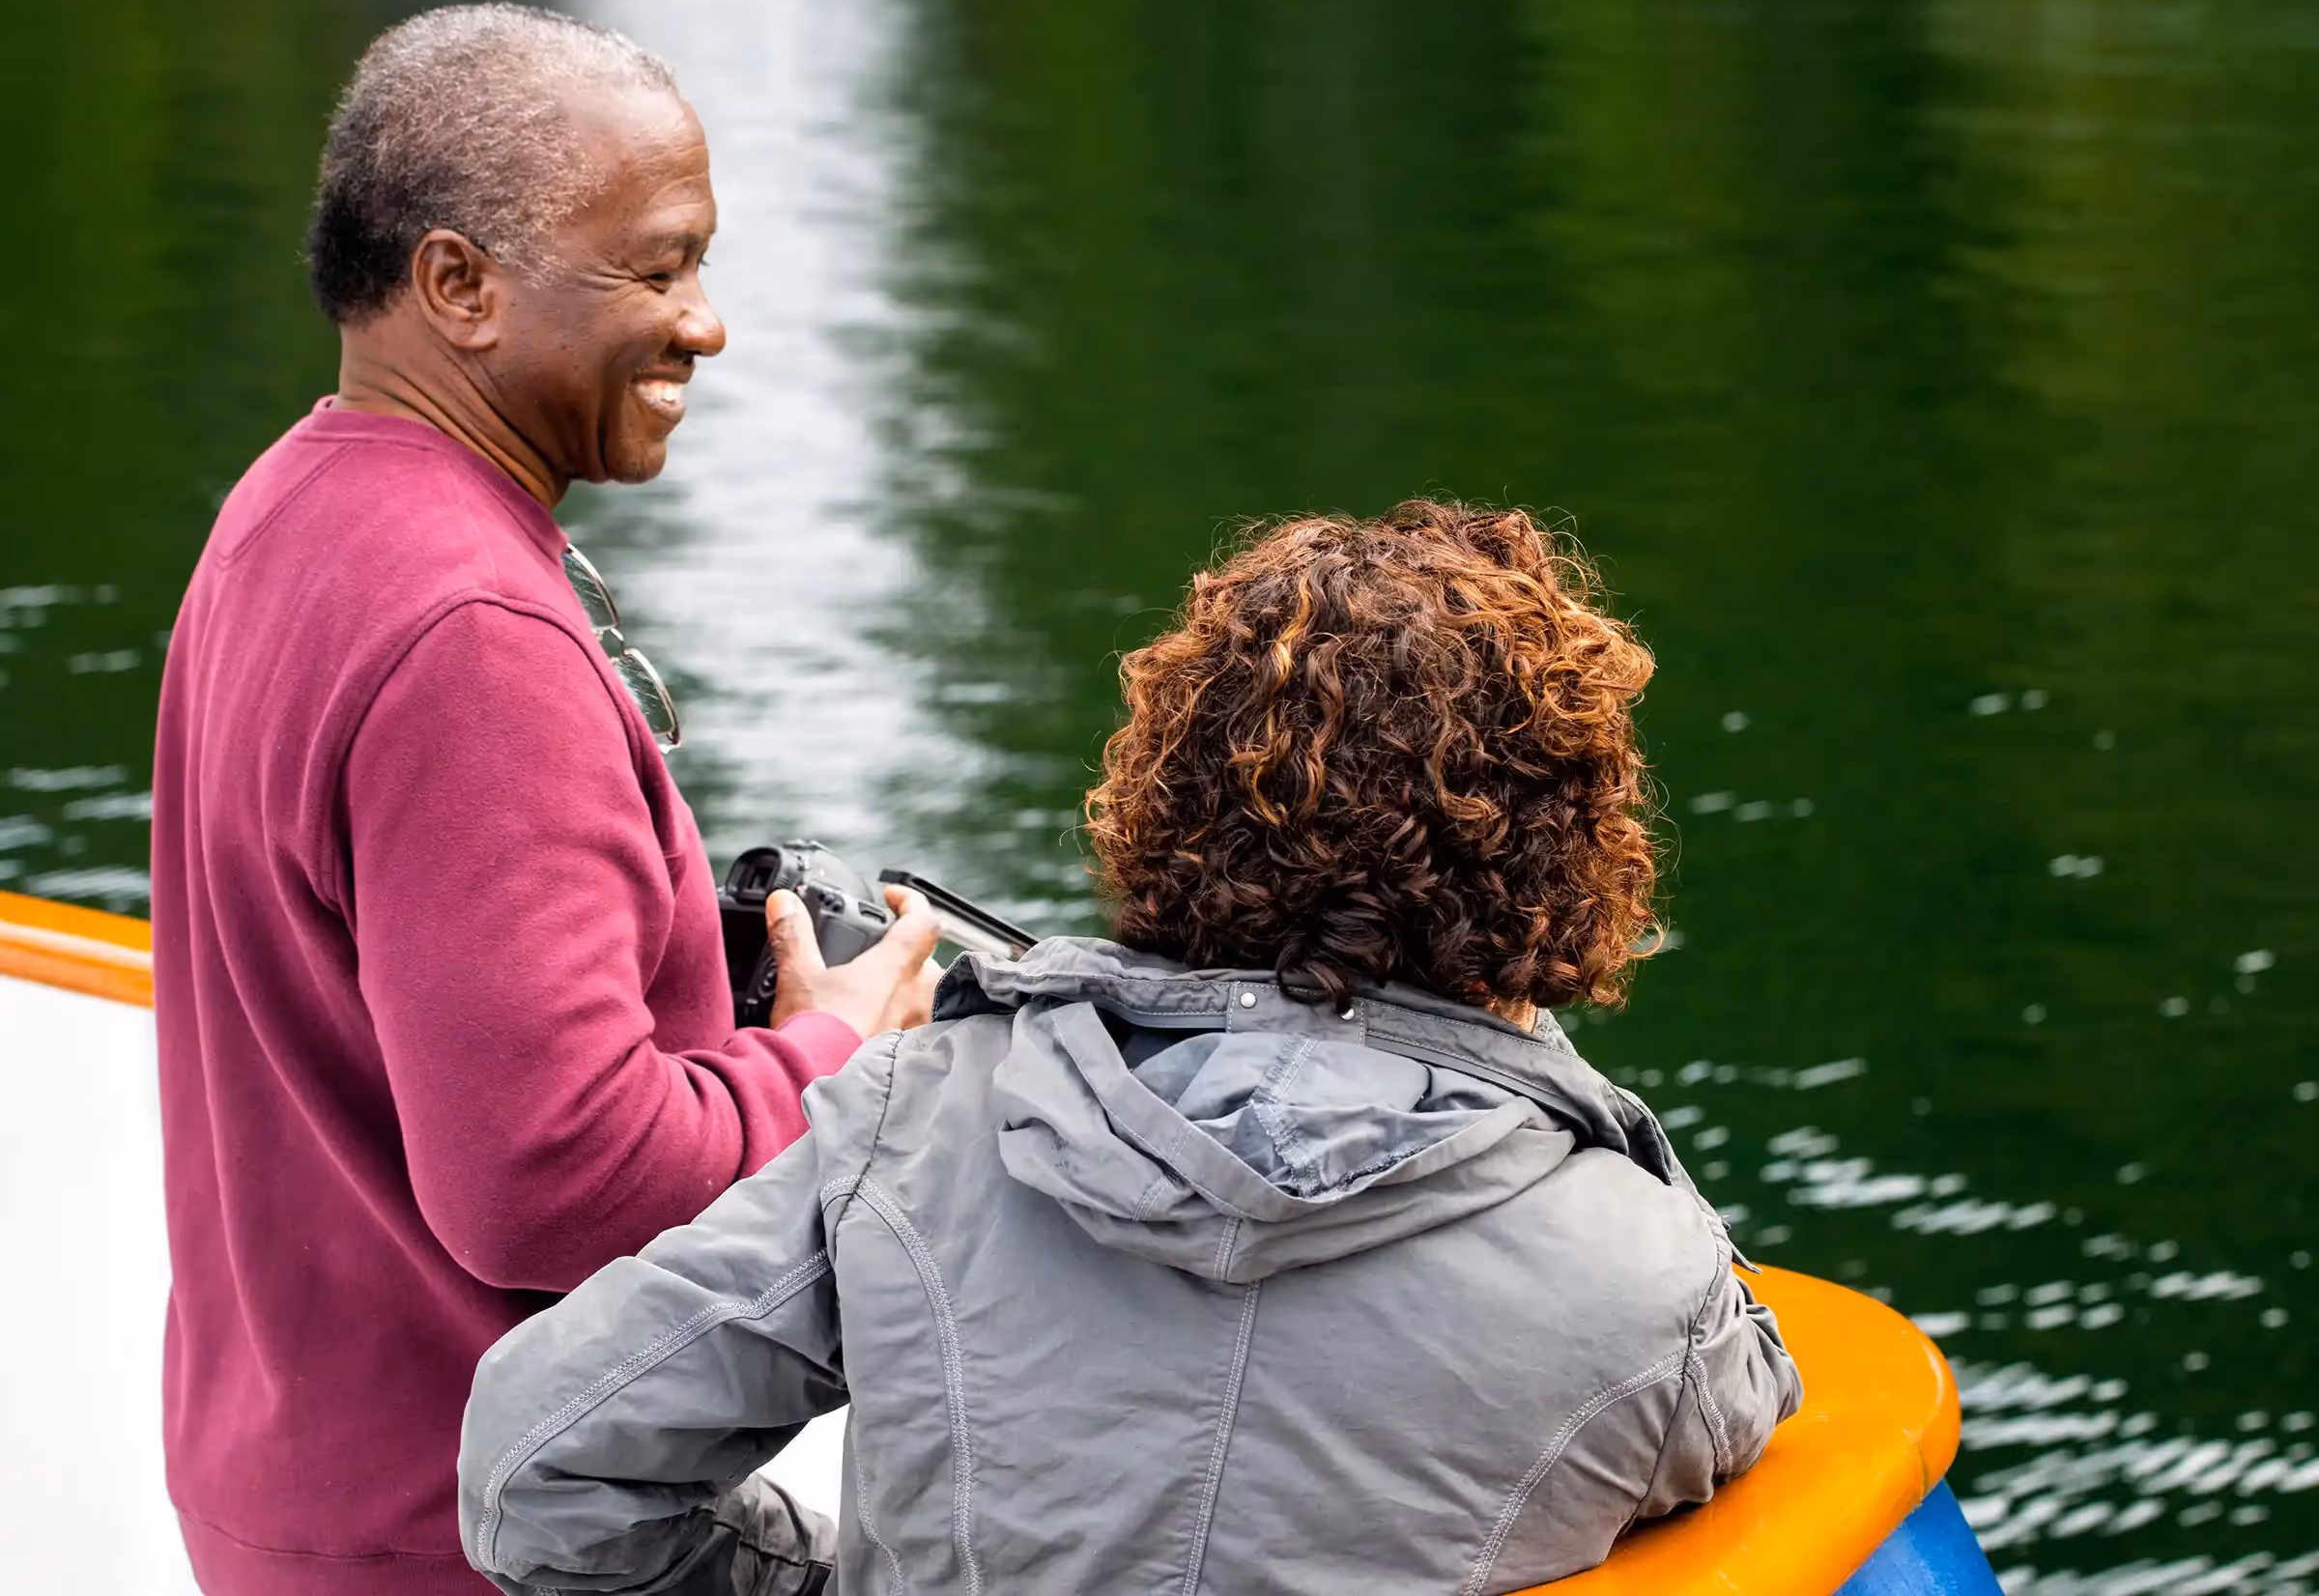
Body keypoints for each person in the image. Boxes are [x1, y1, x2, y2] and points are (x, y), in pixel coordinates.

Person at [455, 501, 1803, 1596]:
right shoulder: (1642, 1277)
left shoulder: (915, 1126)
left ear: (1169, 798)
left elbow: (536, 1476)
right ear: (1571, 861)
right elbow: (1745, 1402)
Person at [150, 4, 938, 1596]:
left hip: (294, 1487)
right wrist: (834, 1053)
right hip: (478, 1540)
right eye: (654, 269)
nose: (704, 324)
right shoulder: (471, 639)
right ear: (460, 284)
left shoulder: (291, 504)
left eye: (702, 264)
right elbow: (550, 1182)